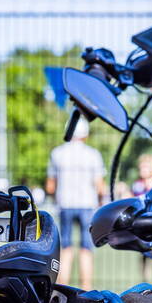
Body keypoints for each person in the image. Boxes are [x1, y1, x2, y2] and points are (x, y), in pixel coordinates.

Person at [46, 119, 105, 290]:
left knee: (66, 247)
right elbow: (99, 186)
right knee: (86, 248)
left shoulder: (57, 153)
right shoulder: (93, 154)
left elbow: (51, 185)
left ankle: (63, 289)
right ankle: (86, 290)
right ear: (85, 134)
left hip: (65, 203)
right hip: (87, 204)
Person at [131, 153, 152, 288]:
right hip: (141, 224)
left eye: (146, 166)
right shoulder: (137, 185)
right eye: (142, 166)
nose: (142, 168)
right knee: (144, 254)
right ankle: (144, 282)